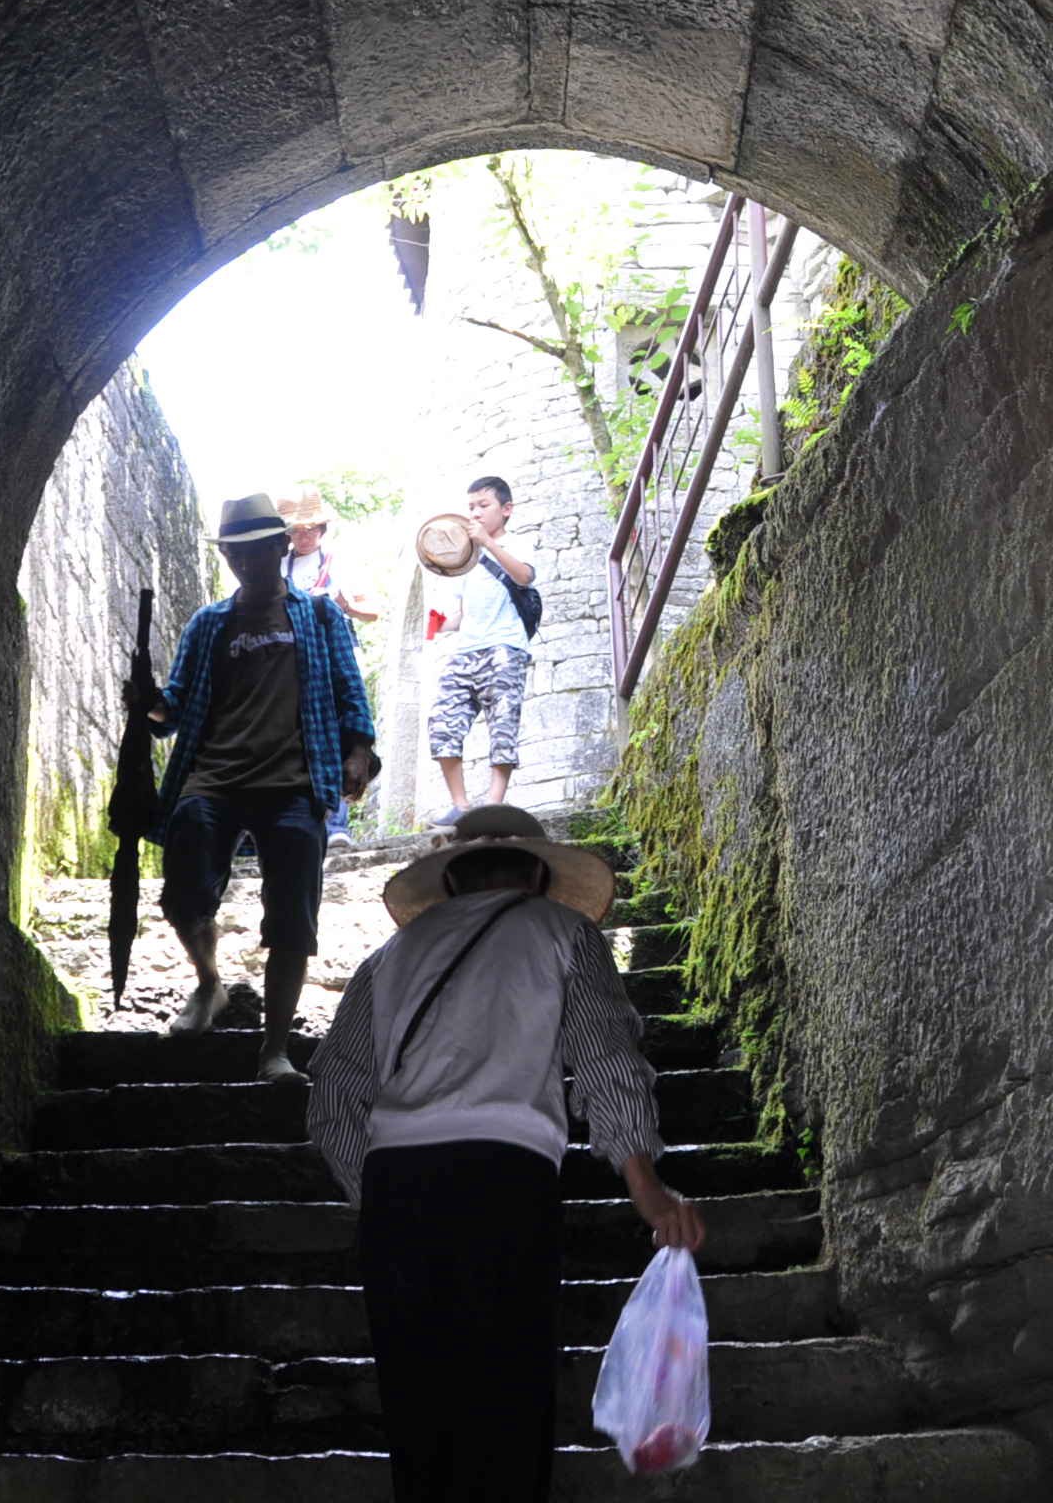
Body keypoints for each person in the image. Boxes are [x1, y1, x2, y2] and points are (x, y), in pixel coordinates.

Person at [308, 806, 704, 1503]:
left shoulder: (386, 960)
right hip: (504, 1179)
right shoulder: (563, 931)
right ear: (536, 874)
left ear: (454, 879)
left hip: (399, 1188)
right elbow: (605, 1054)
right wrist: (645, 1186)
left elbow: (334, 1097)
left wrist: (380, 1203)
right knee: (506, 1397)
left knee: (418, 1406)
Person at [124, 492, 378, 1072]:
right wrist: (149, 704)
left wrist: (358, 750)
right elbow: (177, 704)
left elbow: (348, 689)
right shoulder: (210, 623)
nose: (244, 562)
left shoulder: (317, 615)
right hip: (212, 776)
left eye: (254, 550)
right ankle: (208, 982)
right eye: (233, 553)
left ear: (280, 546)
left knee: (293, 913)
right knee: (184, 885)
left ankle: (275, 1048)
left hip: (294, 780)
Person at [425, 474, 537, 826]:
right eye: (471, 506)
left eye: (483, 506)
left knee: (502, 725)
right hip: (466, 651)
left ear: (506, 510)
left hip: (505, 647)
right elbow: (458, 614)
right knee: (442, 724)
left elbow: (524, 577)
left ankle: (493, 802)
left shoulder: (519, 542)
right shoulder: (464, 558)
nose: (475, 513)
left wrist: (487, 542)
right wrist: (438, 624)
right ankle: (461, 805)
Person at [278, 487, 381, 848]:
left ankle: (338, 823)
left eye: (310, 529)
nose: (303, 536)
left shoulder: (338, 565)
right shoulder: (278, 566)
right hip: (292, 665)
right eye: (295, 530)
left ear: (322, 530)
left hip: (335, 661)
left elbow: (373, 610)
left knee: (340, 734)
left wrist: (347, 605)